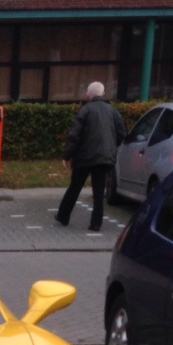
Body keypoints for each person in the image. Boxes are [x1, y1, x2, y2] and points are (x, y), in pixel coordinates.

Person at [55, 81, 126, 232]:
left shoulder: (85, 110)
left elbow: (75, 135)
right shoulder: (113, 111)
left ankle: (63, 215)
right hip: (105, 158)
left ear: (88, 95)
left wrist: (67, 155)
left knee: (75, 187)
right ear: (104, 93)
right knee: (99, 192)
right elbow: (121, 134)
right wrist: (112, 147)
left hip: (84, 157)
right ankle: (96, 224)